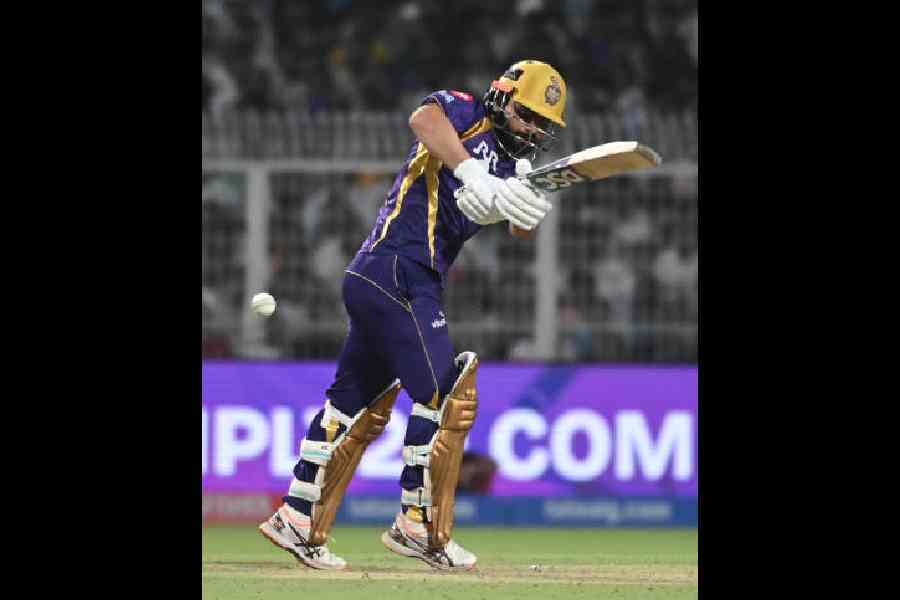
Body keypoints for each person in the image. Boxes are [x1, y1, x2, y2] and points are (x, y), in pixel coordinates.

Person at [259, 60, 567, 571]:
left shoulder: (514, 165)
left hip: (382, 278)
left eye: (542, 124)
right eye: (525, 113)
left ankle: (293, 513)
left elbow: (518, 230)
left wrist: (528, 201)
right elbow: (422, 120)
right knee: (445, 396)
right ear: (500, 95)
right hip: (400, 271)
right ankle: (415, 523)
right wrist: (470, 169)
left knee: (347, 405)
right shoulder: (464, 112)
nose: (531, 128)